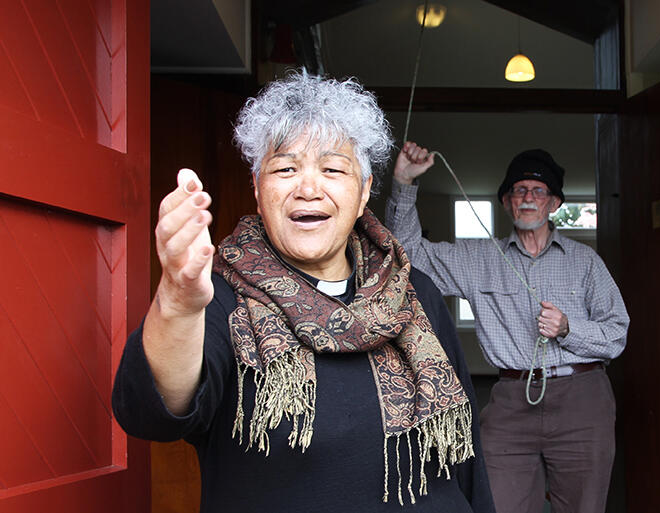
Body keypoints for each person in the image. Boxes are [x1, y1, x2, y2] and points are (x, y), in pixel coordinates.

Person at [111, 73, 495, 513]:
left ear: (364, 189)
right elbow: (152, 414)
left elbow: (466, 458)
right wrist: (177, 301)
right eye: (285, 168)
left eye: (332, 169)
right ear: (258, 189)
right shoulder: (223, 295)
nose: (308, 189)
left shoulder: (413, 293)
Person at [384, 142, 630, 513]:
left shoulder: (585, 261)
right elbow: (410, 258)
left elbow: (617, 333)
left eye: (538, 190)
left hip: (583, 400)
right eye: (518, 190)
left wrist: (567, 328)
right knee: (497, 505)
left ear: (555, 203)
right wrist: (404, 183)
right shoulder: (480, 257)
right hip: (511, 402)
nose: (528, 198)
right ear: (506, 202)